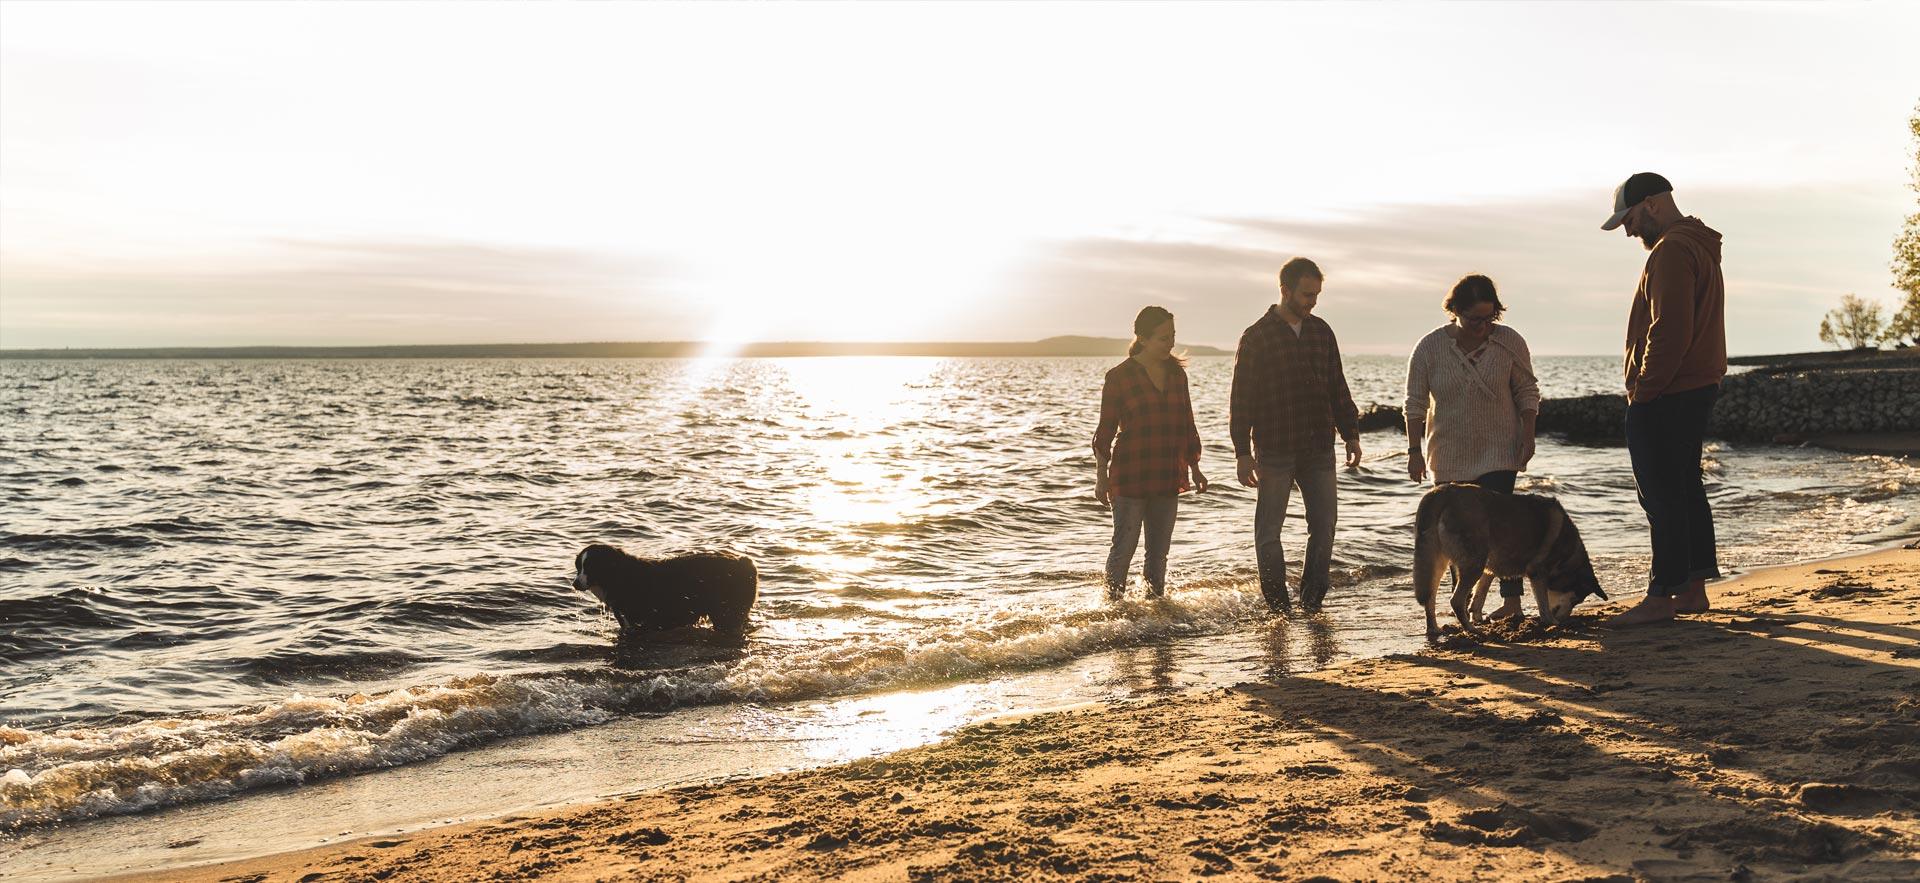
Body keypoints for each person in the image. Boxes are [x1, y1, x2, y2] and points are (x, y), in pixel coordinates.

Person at [1600, 172, 1727, 625]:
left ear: (1652, 204)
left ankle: (1660, 597)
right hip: (1696, 383)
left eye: (1630, 219)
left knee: (1661, 494)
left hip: (1670, 389)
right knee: (1685, 488)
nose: (1629, 230)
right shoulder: (1697, 245)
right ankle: (1692, 588)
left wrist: (1644, 391)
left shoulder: (1672, 249)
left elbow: (1668, 330)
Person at [1404, 274, 1542, 621]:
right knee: (1459, 536)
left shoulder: (1509, 342)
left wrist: (1528, 434)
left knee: (1502, 530)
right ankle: (1462, 608)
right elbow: (1415, 403)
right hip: (1449, 455)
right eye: (1474, 319)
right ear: (1455, 312)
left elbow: (1527, 391)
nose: (1483, 326)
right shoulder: (1429, 348)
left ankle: (1511, 604)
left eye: (1490, 317)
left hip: (1499, 450)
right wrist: (1414, 450)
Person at [1230, 257, 1362, 612]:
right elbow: (1241, 398)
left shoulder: (1322, 331)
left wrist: (1351, 434)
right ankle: (1278, 606)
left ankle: (1312, 601)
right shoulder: (1257, 336)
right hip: (1274, 447)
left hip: (1320, 445)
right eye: (1306, 294)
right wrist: (1242, 452)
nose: (1312, 301)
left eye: (1317, 294)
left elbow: (1338, 385)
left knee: (1324, 527)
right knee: (1268, 532)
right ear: (1285, 290)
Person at [1093, 306, 1209, 599]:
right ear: (1143, 339)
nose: (1170, 343)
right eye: (1162, 338)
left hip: (1167, 473)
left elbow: (1187, 423)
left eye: (1172, 336)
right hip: (1130, 474)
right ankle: (1113, 611)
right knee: (1123, 549)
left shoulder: (1176, 375)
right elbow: (1105, 431)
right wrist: (1100, 476)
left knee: (1158, 554)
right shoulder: (1119, 376)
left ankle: (1156, 614)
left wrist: (1195, 467)